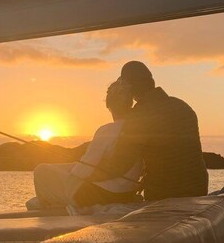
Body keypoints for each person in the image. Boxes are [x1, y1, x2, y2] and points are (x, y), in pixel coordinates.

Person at [30, 80, 143, 209]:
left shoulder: (107, 131)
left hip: (97, 195)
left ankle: (48, 208)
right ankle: (49, 201)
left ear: (109, 105)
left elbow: (83, 171)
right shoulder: (138, 131)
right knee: (62, 169)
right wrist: (71, 169)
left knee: (41, 170)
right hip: (125, 193)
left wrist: (72, 172)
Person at [119, 60, 208, 200]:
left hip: (165, 192)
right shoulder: (181, 106)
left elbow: (123, 159)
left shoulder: (139, 114)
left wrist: (120, 109)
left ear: (128, 87)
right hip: (198, 187)